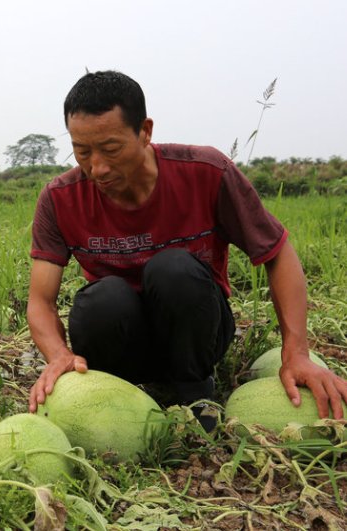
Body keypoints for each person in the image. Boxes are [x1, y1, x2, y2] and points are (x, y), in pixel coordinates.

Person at [27, 70, 347, 430]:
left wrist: (297, 353)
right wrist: (58, 356)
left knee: (173, 269)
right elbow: (40, 300)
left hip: (197, 332)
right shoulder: (59, 198)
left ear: (145, 132)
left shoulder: (206, 172)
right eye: (82, 151)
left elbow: (277, 253)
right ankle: (121, 399)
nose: (97, 168)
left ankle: (196, 395)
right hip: (124, 341)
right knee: (103, 298)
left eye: (111, 149)